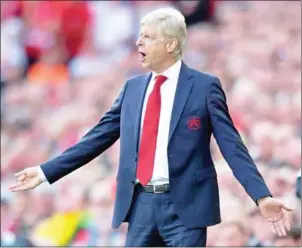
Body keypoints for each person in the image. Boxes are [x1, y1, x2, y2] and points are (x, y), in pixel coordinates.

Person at [9, 7, 293, 247]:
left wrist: (261, 196)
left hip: (186, 207)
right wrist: (46, 171)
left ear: (170, 44)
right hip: (141, 204)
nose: (139, 43)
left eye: (147, 37)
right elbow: (97, 138)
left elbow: (232, 147)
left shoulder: (205, 87)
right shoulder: (133, 88)